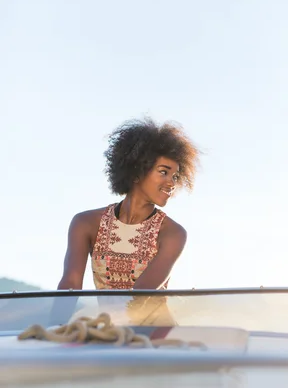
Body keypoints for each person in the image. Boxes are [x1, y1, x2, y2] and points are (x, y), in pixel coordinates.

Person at [57, 118, 200, 292]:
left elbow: (141, 294)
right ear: (136, 171)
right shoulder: (85, 223)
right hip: (105, 320)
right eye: (163, 172)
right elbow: (70, 284)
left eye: (175, 176)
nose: (171, 183)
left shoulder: (172, 233)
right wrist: (56, 320)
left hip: (152, 320)